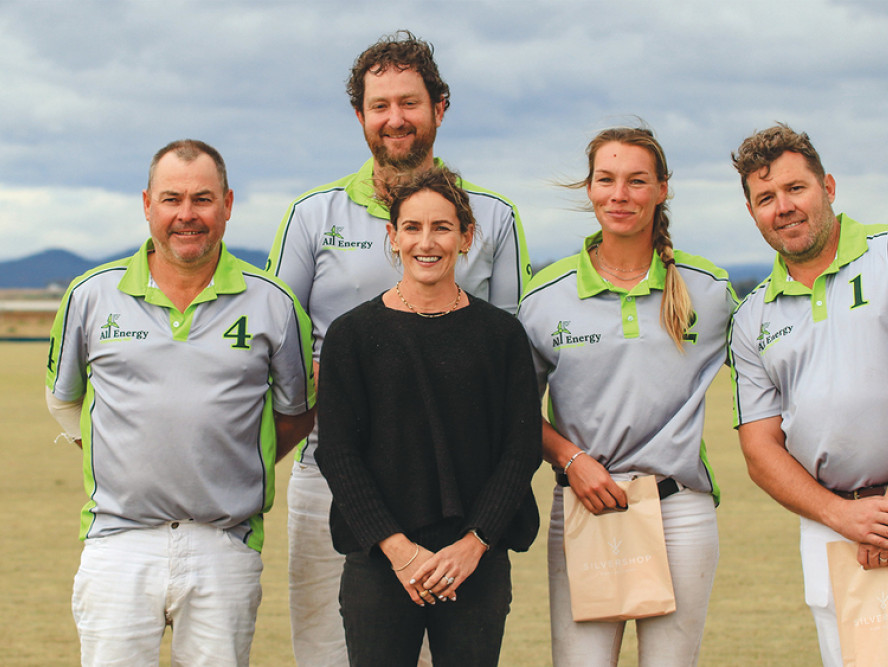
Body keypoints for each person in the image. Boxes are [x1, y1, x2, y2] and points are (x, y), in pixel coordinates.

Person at [265, 30, 531, 666]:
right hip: (336, 471)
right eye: (379, 105)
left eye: (409, 102)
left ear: (440, 107)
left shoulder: (493, 217)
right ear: (360, 115)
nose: (395, 119)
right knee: (330, 650)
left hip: (463, 485)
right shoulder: (312, 215)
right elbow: (281, 348)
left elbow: (516, 360)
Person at [44, 139, 317, 666]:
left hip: (223, 542)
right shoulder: (90, 295)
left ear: (228, 204)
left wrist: (237, 458)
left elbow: (298, 411)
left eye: (202, 199)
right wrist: (124, 453)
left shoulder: (273, 302)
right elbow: (63, 401)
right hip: (118, 541)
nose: (186, 215)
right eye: (171, 199)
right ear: (147, 204)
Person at [728, 123, 888, 665]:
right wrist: (842, 517)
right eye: (766, 198)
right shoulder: (751, 316)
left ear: (829, 187)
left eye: (796, 188)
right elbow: (759, 448)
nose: (783, 207)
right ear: (753, 213)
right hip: (830, 524)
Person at [517, 126, 736, 666]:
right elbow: (515, 412)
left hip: (680, 507)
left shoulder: (709, 291)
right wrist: (571, 460)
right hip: (586, 505)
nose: (621, 195)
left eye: (637, 181)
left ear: (662, 188)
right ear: (588, 190)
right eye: (607, 180)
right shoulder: (545, 297)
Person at [314, 166, 540, 666]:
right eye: (412, 228)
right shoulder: (351, 336)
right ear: (392, 238)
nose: (426, 242)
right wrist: (400, 551)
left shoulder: (501, 336)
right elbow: (338, 453)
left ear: (466, 237)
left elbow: (521, 449)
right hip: (380, 561)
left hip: (474, 561)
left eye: (442, 227)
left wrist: (474, 543)